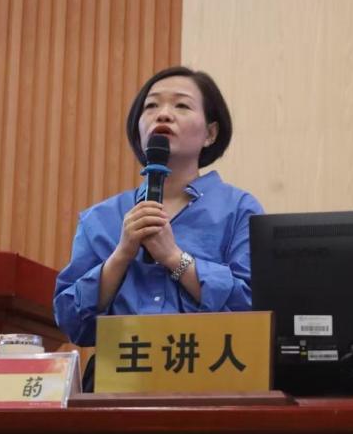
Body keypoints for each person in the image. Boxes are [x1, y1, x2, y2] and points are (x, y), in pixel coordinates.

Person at [53, 66, 264, 348]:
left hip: (207, 368)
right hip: (122, 370)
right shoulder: (100, 218)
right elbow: (70, 322)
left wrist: (175, 258)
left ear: (210, 133)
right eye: (151, 106)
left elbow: (254, 308)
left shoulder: (239, 210)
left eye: (181, 105)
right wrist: (121, 256)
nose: (163, 114)